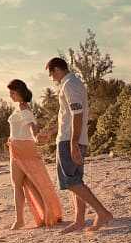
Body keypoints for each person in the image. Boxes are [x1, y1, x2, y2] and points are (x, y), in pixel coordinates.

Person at [42, 57, 113, 233]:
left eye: (51, 74)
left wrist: (73, 143)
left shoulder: (69, 85)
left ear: (56, 70)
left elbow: (77, 114)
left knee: (70, 181)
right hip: (73, 138)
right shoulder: (74, 83)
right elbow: (68, 114)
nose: (52, 78)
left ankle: (102, 212)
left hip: (69, 140)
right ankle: (79, 220)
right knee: (76, 180)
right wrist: (51, 132)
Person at [6, 79, 63, 229]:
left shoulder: (25, 109)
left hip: (24, 149)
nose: (10, 95)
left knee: (28, 184)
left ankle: (23, 219)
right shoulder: (19, 108)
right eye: (10, 92)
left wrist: (38, 136)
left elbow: (32, 128)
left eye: (12, 92)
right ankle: (22, 219)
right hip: (16, 148)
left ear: (20, 92)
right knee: (24, 184)